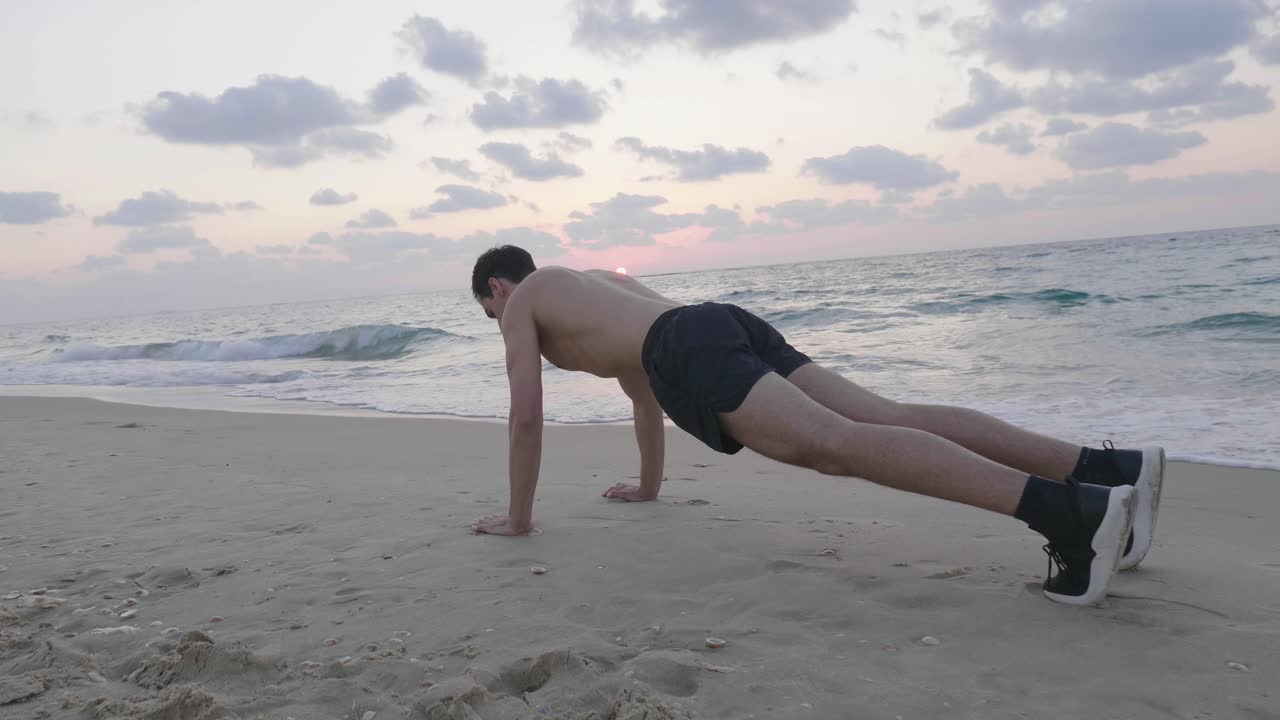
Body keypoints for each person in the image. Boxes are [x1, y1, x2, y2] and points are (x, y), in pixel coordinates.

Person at [467, 245, 1164, 606]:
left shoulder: (526, 299)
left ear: (498, 289)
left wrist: (518, 520)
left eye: (490, 315)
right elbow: (643, 398)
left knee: (835, 447)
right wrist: (650, 488)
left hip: (688, 347)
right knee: (886, 417)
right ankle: (1103, 470)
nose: (502, 327)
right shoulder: (592, 286)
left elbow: (526, 415)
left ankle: (1071, 514)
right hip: (718, 322)